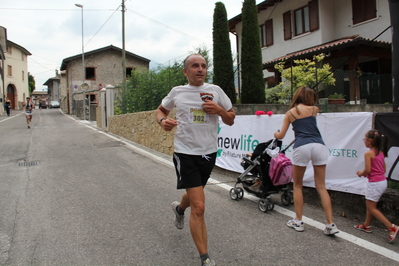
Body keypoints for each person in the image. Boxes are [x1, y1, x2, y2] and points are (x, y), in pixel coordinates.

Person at [156, 54, 235, 266]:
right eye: (195, 66)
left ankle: (179, 209)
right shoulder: (177, 92)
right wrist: (163, 120)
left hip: (208, 153)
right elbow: (161, 110)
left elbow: (231, 118)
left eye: (203, 66)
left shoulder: (216, 91)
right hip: (185, 153)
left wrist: (219, 110)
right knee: (199, 205)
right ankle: (205, 258)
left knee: (193, 196)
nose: (200, 69)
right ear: (186, 71)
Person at [274, 86, 339, 235]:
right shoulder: (314, 110)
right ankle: (330, 224)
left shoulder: (290, 113)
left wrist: (275, 133)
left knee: (297, 185)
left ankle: (298, 221)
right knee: (321, 186)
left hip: (302, 146)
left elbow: (281, 135)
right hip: (318, 145)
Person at [355, 129, 398, 242]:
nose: (364, 141)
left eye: (365, 139)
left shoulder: (368, 153)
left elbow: (367, 170)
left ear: (369, 141)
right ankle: (366, 225)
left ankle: (391, 227)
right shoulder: (381, 152)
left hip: (374, 183)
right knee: (370, 204)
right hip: (382, 181)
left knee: (372, 208)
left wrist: (361, 173)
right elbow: (383, 169)